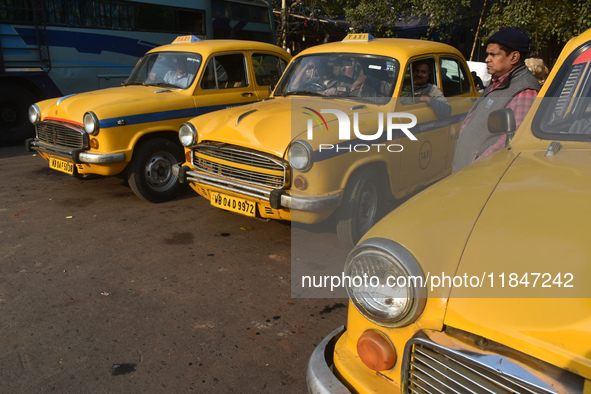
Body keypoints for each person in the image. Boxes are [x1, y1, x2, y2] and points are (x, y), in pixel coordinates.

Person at [452, 27, 540, 172]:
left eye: (493, 54)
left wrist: (476, 167)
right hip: (468, 175)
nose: (487, 59)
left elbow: (510, 141)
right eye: (487, 54)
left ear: (514, 57)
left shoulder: (525, 90)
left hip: (483, 175)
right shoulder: (498, 82)